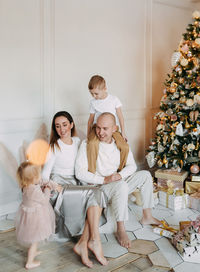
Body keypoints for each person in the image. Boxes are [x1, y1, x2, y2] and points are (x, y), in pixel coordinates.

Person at [75, 112, 161, 249]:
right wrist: (104, 179)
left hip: (117, 181)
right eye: (98, 127)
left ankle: (147, 216)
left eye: (105, 128)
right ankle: (121, 228)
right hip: (100, 187)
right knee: (121, 186)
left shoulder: (120, 143)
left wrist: (119, 176)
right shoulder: (87, 144)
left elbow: (132, 166)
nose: (100, 132)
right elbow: (79, 172)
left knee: (145, 175)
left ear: (114, 128)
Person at [42, 111, 108, 268]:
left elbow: (97, 137)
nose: (62, 129)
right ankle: (93, 241)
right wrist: (51, 186)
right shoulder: (53, 146)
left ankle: (84, 242)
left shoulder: (79, 141)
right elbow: (44, 175)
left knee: (97, 192)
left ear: (71, 125)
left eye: (65, 125)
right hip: (60, 186)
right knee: (95, 193)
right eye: (57, 126)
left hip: (76, 183)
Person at [15, 161, 57, 269]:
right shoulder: (33, 190)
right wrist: (47, 189)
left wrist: (46, 183)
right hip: (36, 216)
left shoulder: (27, 185)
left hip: (29, 215)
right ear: (32, 178)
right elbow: (44, 200)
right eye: (38, 175)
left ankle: (33, 250)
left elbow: (40, 182)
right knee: (35, 237)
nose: (40, 177)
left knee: (34, 234)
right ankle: (30, 262)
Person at [87, 75, 129, 174]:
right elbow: (90, 120)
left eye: (96, 94)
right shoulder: (93, 102)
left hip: (112, 128)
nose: (94, 96)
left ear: (105, 89)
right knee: (92, 144)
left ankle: (120, 170)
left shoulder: (114, 100)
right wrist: (88, 134)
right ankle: (92, 171)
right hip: (97, 128)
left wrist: (123, 132)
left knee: (125, 147)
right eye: (92, 94)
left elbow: (120, 117)